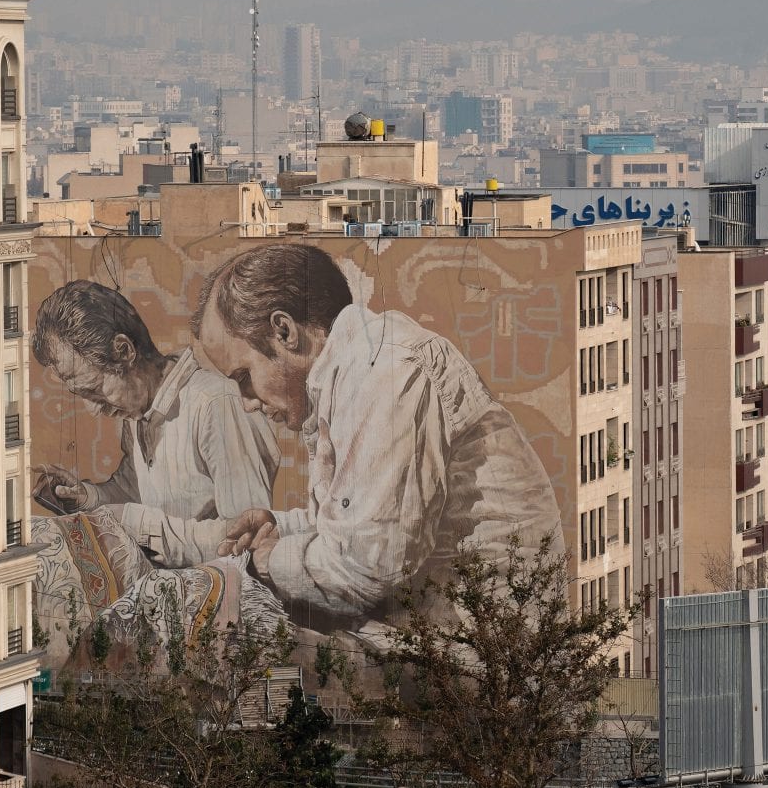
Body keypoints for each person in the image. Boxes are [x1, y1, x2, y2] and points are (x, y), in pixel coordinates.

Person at [192, 244, 564, 633]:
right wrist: (280, 528)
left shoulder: (385, 373)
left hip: (484, 652)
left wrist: (269, 559)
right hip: (447, 633)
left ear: (284, 331)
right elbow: (357, 522)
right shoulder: (355, 368)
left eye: (243, 378)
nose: (247, 403)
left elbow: (367, 566)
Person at [31, 280, 279, 565]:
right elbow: (135, 493)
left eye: (96, 389)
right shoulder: (137, 412)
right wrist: (87, 497)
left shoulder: (215, 404)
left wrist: (143, 527)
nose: (93, 408)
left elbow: (249, 537)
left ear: (124, 351)